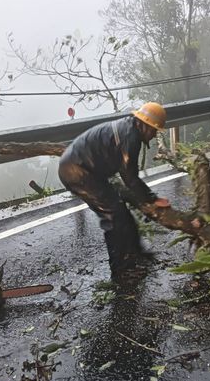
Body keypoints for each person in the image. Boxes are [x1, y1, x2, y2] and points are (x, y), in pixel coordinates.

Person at [58, 102, 170, 274]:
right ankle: (120, 269)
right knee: (113, 214)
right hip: (77, 171)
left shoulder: (131, 128)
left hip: (85, 169)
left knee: (122, 212)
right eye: (154, 130)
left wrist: (147, 198)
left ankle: (136, 253)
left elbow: (129, 175)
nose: (155, 135)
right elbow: (130, 178)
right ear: (145, 124)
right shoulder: (131, 136)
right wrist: (152, 199)